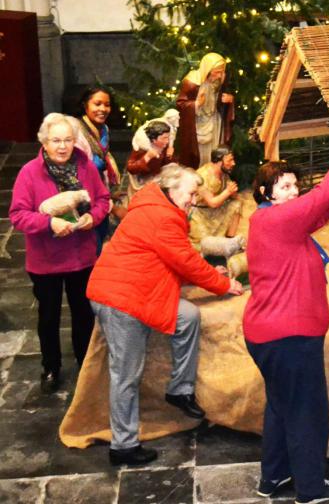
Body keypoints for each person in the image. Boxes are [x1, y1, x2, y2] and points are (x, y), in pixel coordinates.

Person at [87, 163, 244, 466]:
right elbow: (185, 261)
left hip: (142, 291)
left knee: (188, 317)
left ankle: (180, 390)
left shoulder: (158, 204)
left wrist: (210, 272)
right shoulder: (162, 217)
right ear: (172, 189)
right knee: (126, 376)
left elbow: (169, 259)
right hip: (122, 300)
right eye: (190, 193)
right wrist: (223, 284)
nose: (193, 199)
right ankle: (123, 445)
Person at [243, 131, 329, 502]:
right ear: (266, 193)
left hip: (273, 335)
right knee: (306, 413)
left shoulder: (275, 221)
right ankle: (310, 489)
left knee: (282, 407)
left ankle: (275, 477)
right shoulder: (277, 221)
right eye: (283, 186)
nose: (292, 191)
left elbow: (322, 210)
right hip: (289, 337)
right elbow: (321, 199)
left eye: (295, 184)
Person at [9, 113, 111, 393]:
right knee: (49, 316)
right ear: (44, 142)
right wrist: (48, 222)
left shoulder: (86, 167)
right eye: (56, 140)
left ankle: (85, 364)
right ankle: (51, 366)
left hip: (81, 256)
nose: (63, 146)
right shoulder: (30, 172)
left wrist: (95, 218)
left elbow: (102, 200)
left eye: (68, 140)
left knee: (83, 314)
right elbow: (18, 215)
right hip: (46, 261)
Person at [75, 86, 124, 253]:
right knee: (89, 246)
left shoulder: (104, 129)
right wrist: (112, 207)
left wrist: (108, 195)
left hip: (100, 195)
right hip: (84, 199)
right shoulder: (77, 134)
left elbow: (101, 168)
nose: (103, 109)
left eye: (107, 104)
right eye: (97, 104)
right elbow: (81, 176)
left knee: (101, 238)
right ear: (85, 105)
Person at [175, 53, 234, 169]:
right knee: (200, 155)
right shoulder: (191, 82)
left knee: (214, 151)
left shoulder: (219, 81)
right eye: (217, 72)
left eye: (222, 71)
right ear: (208, 70)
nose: (220, 75)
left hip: (214, 122)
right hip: (198, 125)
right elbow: (181, 104)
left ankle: (213, 174)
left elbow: (222, 99)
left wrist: (230, 100)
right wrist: (196, 104)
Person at [189, 147, 245, 260]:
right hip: (200, 215)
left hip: (215, 212)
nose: (233, 163)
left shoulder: (224, 174)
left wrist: (233, 193)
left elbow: (232, 196)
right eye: (230, 160)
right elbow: (212, 203)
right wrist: (228, 192)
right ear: (219, 160)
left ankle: (230, 241)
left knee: (236, 205)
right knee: (203, 247)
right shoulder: (202, 175)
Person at [126, 119, 175, 200]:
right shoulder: (141, 150)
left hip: (156, 178)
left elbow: (166, 164)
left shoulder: (163, 147)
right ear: (154, 139)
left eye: (168, 138)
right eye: (164, 138)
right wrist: (147, 157)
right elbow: (131, 168)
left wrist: (169, 155)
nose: (167, 141)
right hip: (142, 181)